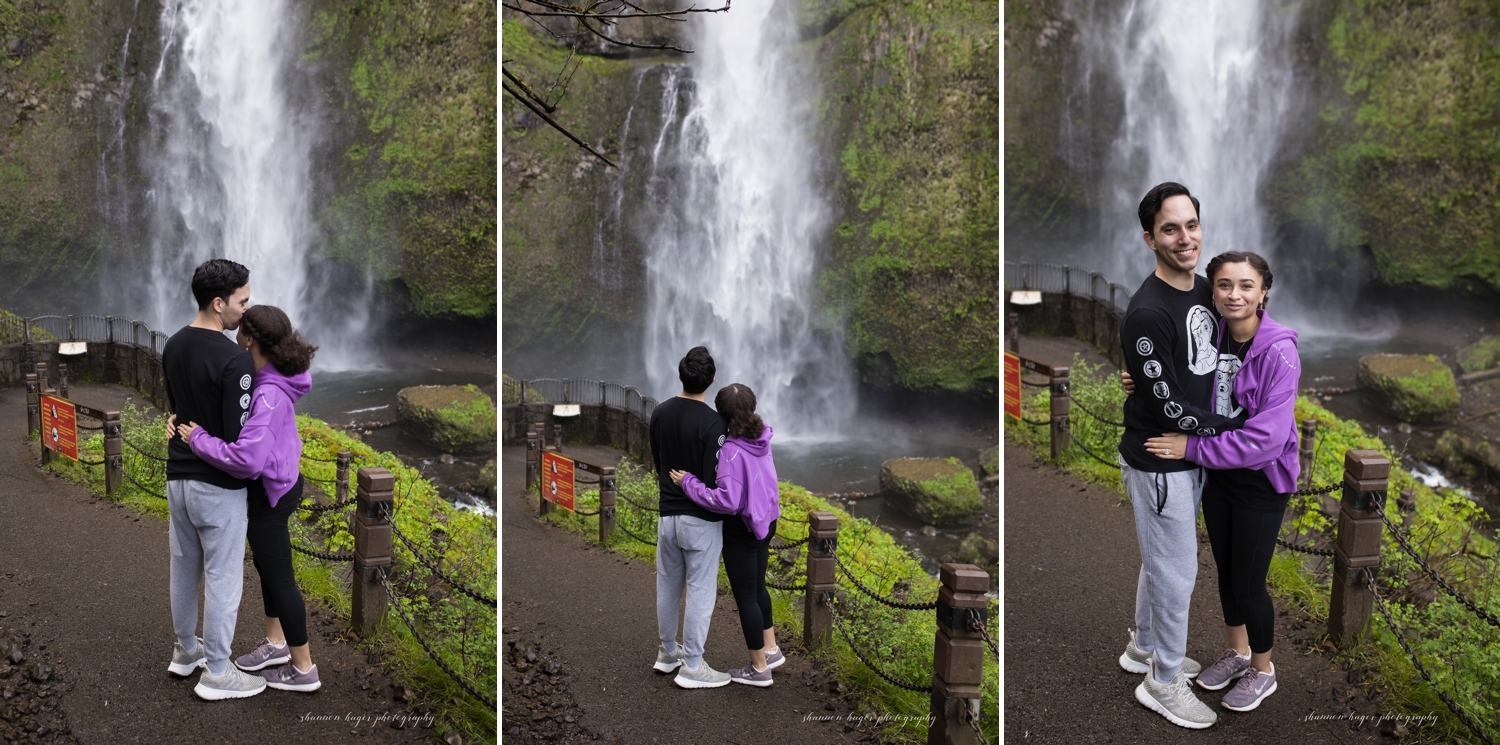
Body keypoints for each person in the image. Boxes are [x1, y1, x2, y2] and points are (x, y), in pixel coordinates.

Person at [1138, 252, 1299, 713]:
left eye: (1246, 286)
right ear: (1212, 292)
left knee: (1251, 584)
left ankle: (1263, 671)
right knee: (1227, 575)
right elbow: (1177, 379)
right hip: (1220, 478)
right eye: (1225, 285)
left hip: (1261, 483)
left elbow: (1266, 440)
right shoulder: (1210, 339)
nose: (1235, 294)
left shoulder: (1279, 351)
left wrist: (1191, 449)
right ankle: (1238, 652)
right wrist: (1141, 382)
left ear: (1263, 291)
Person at [1117, 183, 1247, 729]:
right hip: (1161, 459)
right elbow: (1168, 405)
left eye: (1191, 224)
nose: (1185, 237)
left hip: (1187, 454)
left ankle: (1144, 649)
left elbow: (1221, 345)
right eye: (1170, 229)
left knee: (1162, 561)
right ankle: (1164, 680)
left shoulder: (1204, 290)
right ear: (1150, 239)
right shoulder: (1147, 312)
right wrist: (1233, 426)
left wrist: (1144, 379)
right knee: (1176, 573)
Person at [175, 305, 322, 693]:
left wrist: (197, 439)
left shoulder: (269, 393)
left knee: (280, 579)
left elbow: (246, 459)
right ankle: (276, 645)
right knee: (269, 572)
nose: (232, 335)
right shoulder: (267, 374)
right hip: (278, 484)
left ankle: (303, 668)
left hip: (271, 495)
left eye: (238, 330)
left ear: (249, 339)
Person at [160, 259, 264, 700]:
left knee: (183, 567)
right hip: (217, 487)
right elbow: (236, 435)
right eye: (242, 300)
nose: (247, 308)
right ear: (219, 303)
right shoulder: (234, 358)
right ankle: (219, 672)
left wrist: (180, 425)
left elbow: (179, 410)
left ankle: (186, 652)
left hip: (177, 477)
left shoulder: (173, 345)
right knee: (223, 576)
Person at [669, 383, 783, 687]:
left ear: (722, 414)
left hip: (743, 529)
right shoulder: (763, 436)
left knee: (746, 598)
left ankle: (759, 669)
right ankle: (770, 650)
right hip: (766, 521)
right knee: (758, 588)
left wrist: (689, 483)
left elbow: (727, 500)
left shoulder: (731, 450)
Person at [648, 346, 730, 689]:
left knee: (666, 584)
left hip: (667, 518)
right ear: (711, 380)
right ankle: (693, 666)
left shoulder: (659, 413)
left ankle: (668, 653)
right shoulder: (715, 423)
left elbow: (658, 464)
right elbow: (716, 479)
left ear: (680, 375)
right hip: (701, 522)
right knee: (700, 591)